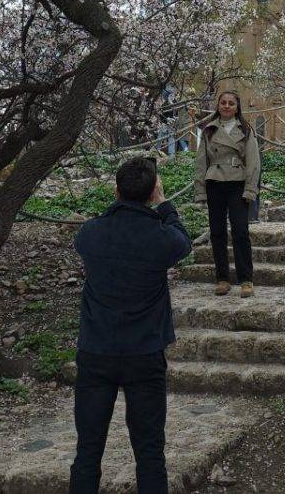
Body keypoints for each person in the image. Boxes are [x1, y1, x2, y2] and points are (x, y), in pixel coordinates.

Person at [70, 157, 191, 494]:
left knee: (88, 451)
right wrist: (164, 204)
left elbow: (89, 239)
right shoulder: (161, 237)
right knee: (150, 451)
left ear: (116, 190)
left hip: (96, 350)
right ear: (153, 191)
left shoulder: (90, 234)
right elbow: (182, 240)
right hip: (144, 352)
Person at [195, 90, 260, 297]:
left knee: (241, 231)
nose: (226, 106)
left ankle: (246, 279)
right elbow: (201, 162)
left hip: (238, 182)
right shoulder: (209, 130)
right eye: (223, 103)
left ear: (237, 107)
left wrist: (251, 189)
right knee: (217, 232)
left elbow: (253, 161)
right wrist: (200, 191)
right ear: (218, 106)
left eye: (231, 103)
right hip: (215, 181)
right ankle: (222, 278)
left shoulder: (246, 129)